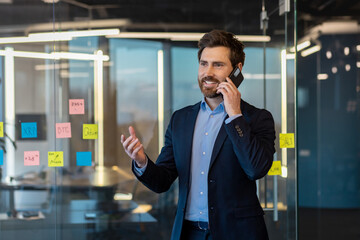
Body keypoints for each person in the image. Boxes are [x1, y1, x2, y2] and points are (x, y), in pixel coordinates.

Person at [121, 29, 276, 240]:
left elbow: (255, 168)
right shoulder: (181, 120)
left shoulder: (257, 119)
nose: (208, 72)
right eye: (204, 63)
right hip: (189, 233)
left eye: (218, 65)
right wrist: (141, 162)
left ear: (237, 70)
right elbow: (162, 181)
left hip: (237, 234)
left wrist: (235, 116)